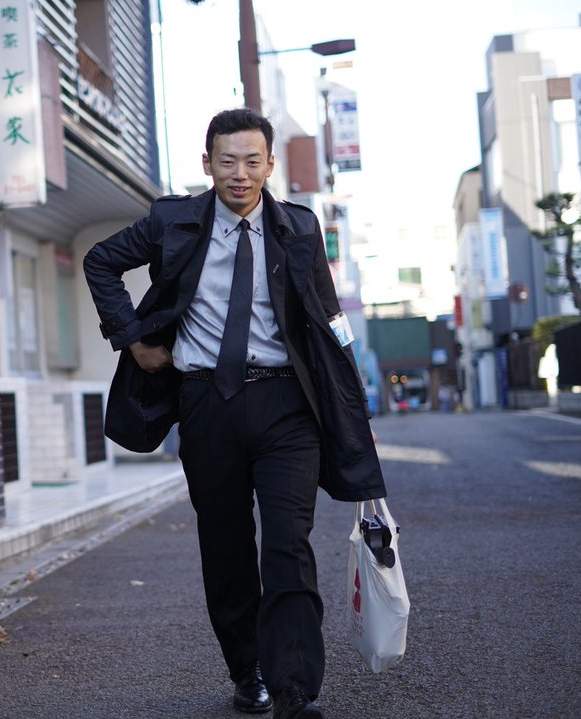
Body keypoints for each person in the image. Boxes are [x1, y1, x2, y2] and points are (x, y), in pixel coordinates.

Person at [83, 108, 387, 719]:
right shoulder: (172, 220)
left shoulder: (299, 226)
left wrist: (350, 404)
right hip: (206, 402)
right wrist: (132, 339)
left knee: (288, 543)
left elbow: (328, 318)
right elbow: (100, 261)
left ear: (270, 165)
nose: (240, 174)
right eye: (227, 161)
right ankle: (249, 671)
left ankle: (295, 688)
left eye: (252, 161)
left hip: (287, 406)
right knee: (225, 546)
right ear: (208, 164)